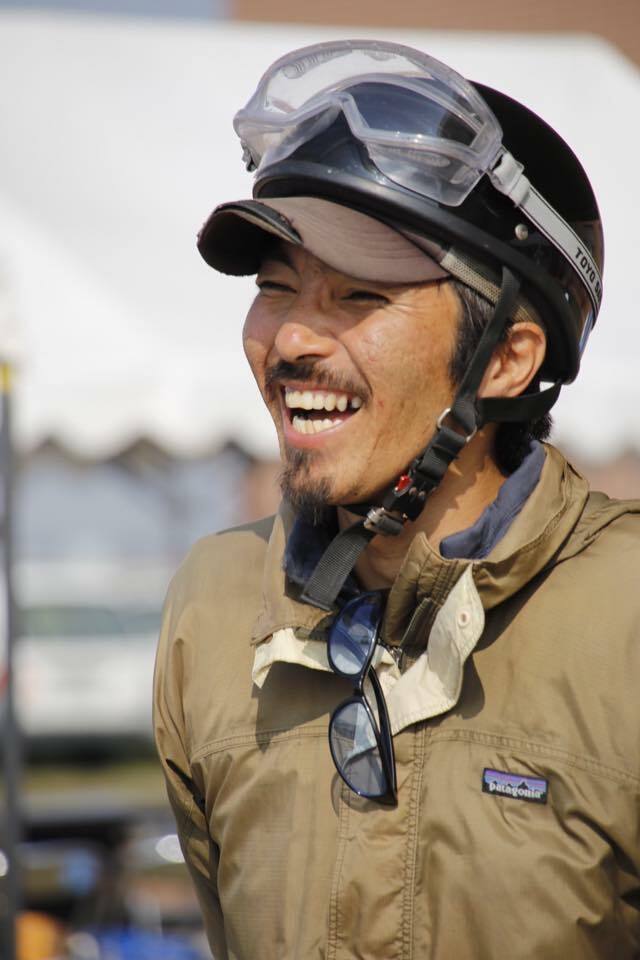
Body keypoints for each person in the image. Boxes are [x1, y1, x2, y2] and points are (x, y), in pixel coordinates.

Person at [153, 39, 640, 959]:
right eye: (276, 287)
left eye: (359, 296)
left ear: (507, 359)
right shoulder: (213, 607)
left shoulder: (627, 618)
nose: (291, 340)